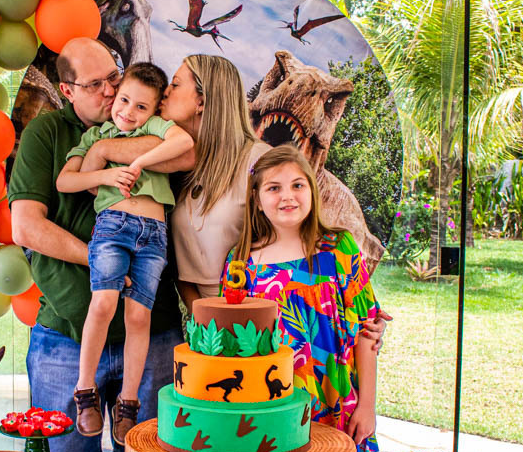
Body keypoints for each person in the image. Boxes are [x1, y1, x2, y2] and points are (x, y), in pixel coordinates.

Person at [8, 37, 183, 452]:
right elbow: (26, 227)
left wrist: (111, 151)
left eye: (115, 77)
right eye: (96, 84)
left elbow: (187, 149)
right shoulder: (49, 134)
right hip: (66, 329)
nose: (111, 92)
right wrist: (104, 264)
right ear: (66, 91)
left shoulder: (144, 124)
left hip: (151, 330)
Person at [78, 53, 392, 349]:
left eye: (175, 84)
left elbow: (312, 239)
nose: (165, 93)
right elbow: (180, 265)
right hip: (209, 329)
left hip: (270, 325)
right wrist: (206, 318)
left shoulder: (259, 162)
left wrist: (363, 310)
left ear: (202, 101)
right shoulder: (173, 164)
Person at [222, 143, 381, 452]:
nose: (287, 196)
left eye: (297, 185)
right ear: (257, 199)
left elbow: (368, 331)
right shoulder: (241, 263)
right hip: (270, 406)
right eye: (273, 188)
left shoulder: (339, 249)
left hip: (335, 400)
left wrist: (367, 406)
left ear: (311, 190)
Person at [56, 62, 194, 443]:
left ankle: (128, 402)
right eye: (124, 101)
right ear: (114, 96)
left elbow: (184, 144)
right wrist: (105, 174)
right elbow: (67, 181)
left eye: (141, 107)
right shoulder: (97, 134)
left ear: (155, 110)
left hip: (153, 234)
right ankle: (85, 389)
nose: (129, 112)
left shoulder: (155, 130)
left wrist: (138, 162)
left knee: (138, 316)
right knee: (103, 303)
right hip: (113, 227)